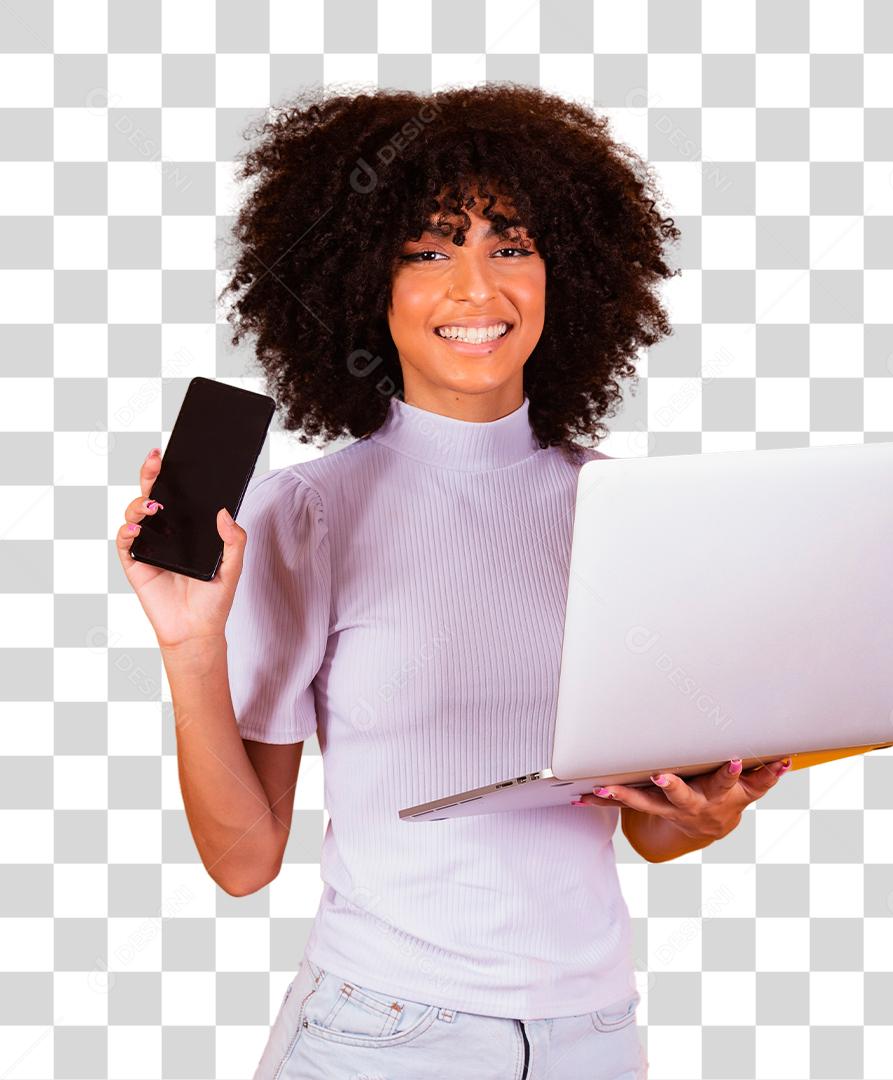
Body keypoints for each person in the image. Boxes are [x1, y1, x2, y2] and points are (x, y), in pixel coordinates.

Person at [116, 82, 790, 1080]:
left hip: (594, 1034)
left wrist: (708, 812)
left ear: (565, 272)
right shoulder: (305, 516)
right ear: (365, 285)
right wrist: (190, 647)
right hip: (383, 1035)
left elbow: (648, 828)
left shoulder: (630, 515)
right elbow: (244, 861)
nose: (478, 289)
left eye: (510, 246)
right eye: (428, 251)